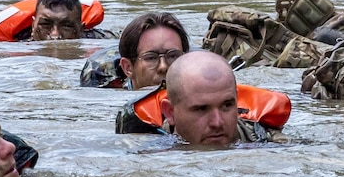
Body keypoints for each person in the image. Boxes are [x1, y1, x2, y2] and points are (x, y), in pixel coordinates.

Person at [115, 51, 290, 147]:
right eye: (201, 109)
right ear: (170, 112)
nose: (217, 122)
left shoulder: (271, 144)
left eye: (227, 106)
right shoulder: (146, 151)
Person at [81, 11, 190, 89]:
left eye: (173, 56)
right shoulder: (101, 85)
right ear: (128, 68)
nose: (163, 67)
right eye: (151, 58)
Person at [0, 0, 112, 42]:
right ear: (33, 24)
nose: (55, 35)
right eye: (45, 24)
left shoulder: (103, 41)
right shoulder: (13, 46)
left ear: (81, 30)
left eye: (66, 26)